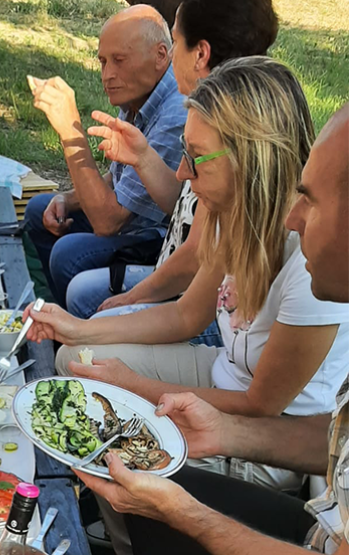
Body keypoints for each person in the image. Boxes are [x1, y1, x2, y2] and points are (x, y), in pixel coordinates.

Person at [26, 57, 349, 494]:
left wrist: (136, 387)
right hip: (223, 376)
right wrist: (80, 328)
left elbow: (260, 405)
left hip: (271, 435)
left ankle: (128, 526)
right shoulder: (227, 210)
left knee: (118, 447)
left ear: (250, 160)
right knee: (76, 360)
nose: (181, 172)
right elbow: (184, 316)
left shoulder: (315, 262)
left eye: (195, 158)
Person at [79, 103, 349, 555]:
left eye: (312, 201)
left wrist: (185, 514)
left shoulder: (304, 273)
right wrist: (223, 433)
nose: (293, 218)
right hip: (319, 519)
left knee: (136, 480)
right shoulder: (239, 222)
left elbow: (263, 401)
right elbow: (325, 442)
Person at [66, 0, 278, 326]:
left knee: (84, 293)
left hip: (212, 310)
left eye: (176, 41)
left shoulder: (226, 125)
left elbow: (194, 259)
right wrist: (142, 157)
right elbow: (180, 206)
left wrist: (130, 299)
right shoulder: (212, 104)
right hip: (185, 285)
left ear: (201, 54)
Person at [24, 4, 186, 308]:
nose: (107, 75)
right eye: (102, 61)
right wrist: (67, 199)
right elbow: (119, 177)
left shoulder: (175, 113)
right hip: (131, 220)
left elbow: (108, 222)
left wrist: (71, 133)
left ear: (161, 55)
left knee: (68, 254)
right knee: (39, 209)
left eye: (119, 61)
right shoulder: (139, 91)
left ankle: (77, 334)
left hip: (159, 242)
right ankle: (56, 315)